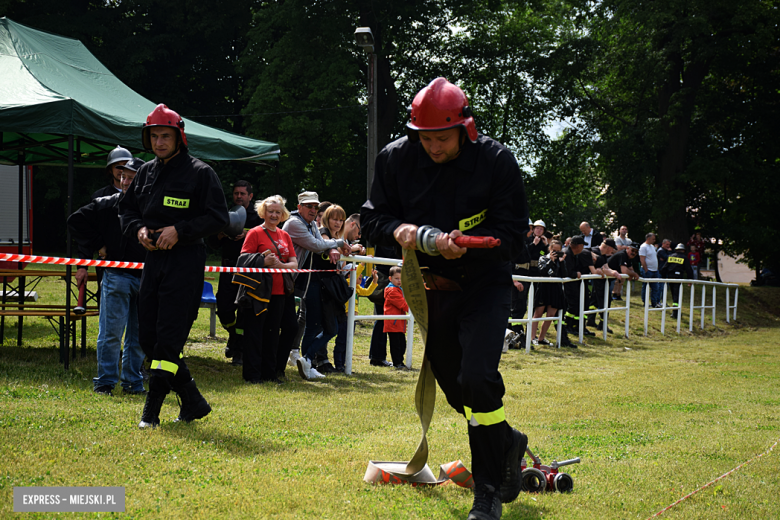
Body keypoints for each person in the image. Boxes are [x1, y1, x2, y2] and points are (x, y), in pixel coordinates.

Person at [361, 77, 529, 520]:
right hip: (433, 288)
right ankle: (507, 440)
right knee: (461, 394)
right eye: (425, 139)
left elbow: (514, 235)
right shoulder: (395, 159)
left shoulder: (495, 162)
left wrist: (470, 242)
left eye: (442, 139)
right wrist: (400, 231)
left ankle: (487, 493)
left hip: (485, 284)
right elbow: (372, 217)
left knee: (477, 378)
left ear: (466, 129)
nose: (433, 148)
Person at [119, 104, 229, 428]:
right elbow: (125, 211)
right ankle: (193, 401)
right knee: (148, 339)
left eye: (165, 135)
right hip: (153, 260)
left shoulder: (200, 173)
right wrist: (138, 229)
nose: (159, 142)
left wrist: (179, 230)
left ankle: (150, 413)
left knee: (168, 340)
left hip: (185, 261)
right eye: (154, 136)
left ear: (179, 137)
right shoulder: (144, 173)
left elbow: (218, 218)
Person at [68, 157, 148, 396]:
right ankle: (104, 383)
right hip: (116, 276)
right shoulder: (106, 204)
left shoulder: (153, 209)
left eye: (131, 178)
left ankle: (133, 384)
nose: (124, 181)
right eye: (122, 176)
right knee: (111, 334)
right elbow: (75, 221)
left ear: (143, 182)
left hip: (146, 277)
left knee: (139, 337)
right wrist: (99, 244)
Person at [279, 192, 349, 375]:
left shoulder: (310, 224)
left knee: (307, 324)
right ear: (299, 206)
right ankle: (293, 360)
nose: (312, 210)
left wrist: (334, 246)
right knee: (293, 324)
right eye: (308, 206)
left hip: (299, 281)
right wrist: (340, 243)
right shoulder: (295, 223)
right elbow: (317, 245)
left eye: (315, 207)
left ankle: (305, 361)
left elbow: (319, 244)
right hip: (285, 279)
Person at [239, 195, 297, 384]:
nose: (273, 215)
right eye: (270, 211)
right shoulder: (255, 233)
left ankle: (269, 374)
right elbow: (243, 259)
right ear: (263, 212)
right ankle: (252, 375)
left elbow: (294, 263)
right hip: (258, 292)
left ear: (283, 215)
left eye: (277, 212)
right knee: (255, 334)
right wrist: (263, 262)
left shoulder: (285, 235)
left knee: (272, 335)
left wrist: (280, 265)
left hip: (280, 293)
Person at [211, 180, 263, 366]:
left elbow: (265, 238)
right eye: (236, 193)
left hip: (248, 271)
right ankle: (233, 335)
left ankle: (239, 352)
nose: (239, 196)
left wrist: (247, 234)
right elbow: (212, 243)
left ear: (250, 196)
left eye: (242, 193)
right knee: (224, 310)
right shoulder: (227, 214)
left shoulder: (258, 217)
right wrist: (221, 234)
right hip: (227, 269)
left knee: (243, 311)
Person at [298, 204, 353, 378]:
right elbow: (324, 241)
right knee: (321, 327)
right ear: (326, 219)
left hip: (327, 289)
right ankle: (307, 361)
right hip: (316, 286)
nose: (338, 222)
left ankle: (306, 361)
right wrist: (334, 248)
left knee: (325, 328)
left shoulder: (338, 237)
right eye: (334, 219)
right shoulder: (324, 232)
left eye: (341, 219)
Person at [530, 239, 571, 348]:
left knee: (551, 315)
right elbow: (542, 271)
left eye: (558, 250)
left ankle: (541, 338)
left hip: (556, 289)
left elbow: (564, 275)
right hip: (544, 287)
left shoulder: (561, 260)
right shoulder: (543, 258)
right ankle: (532, 337)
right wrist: (551, 261)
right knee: (537, 314)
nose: (556, 253)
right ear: (550, 248)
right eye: (554, 250)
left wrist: (562, 262)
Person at [584, 239, 620, 333]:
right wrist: (614, 273)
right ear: (608, 248)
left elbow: (606, 267)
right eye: (612, 249)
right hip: (595, 282)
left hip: (596, 282)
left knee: (594, 301)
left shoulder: (601, 254)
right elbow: (604, 270)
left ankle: (591, 320)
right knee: (605, 302)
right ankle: (602, 325)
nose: (612, 252)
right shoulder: (596, 253)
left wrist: (613, 272)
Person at [508, 219, 532, 344]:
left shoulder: (523, 243)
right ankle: (515, 333)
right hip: (517, 280)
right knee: (516, 307)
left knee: (521, 307)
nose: (530, 231)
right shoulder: (513, 242)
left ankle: (516, 334)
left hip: (524, 278)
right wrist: (515, 280)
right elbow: (508, 262)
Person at [383, 265, 409, 369]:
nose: (399, 281)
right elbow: (403, 305)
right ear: (390, 278)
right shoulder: (392, 291)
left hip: (398, 322)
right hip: (393, 322)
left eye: (401, 278)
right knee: (396, 345)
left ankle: (400, 362)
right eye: (396, 278)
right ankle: (397, 363)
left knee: (402, 344)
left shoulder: (399, 289)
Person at [661, 243, 693, 318]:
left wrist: (663, 277)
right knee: (677, 295)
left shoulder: (671, 256)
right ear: (683, 250)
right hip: (678, 278)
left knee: (673, 294)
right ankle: (675, 313)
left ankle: (675, 311)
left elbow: (664, 268)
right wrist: (690, 280)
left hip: (670, 278)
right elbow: (689, 270)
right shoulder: (684, 258)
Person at [639, 233, 661, 307]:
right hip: (648, 270)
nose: (654, 240)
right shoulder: (643, 247)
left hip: (655, 270)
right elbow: (642, 259)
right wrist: (646, 270)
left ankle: (654, 303)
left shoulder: (652, 246)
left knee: (655, 288)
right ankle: (645, 302)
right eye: (653, 239)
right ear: (648, 238)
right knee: (646, 287)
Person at [612, 225, 632, 301]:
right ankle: (614, 294)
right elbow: (618, 248)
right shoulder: (617, 239)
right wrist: (626, 247)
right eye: (622, 229)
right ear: (619, 231)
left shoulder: (629, 240)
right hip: (618, 259)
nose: (624, 230)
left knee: (622, 278)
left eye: (625, 229)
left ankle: (618, 294)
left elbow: (630, 249)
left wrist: (623, 246)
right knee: (617, 279)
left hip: (625, 259)